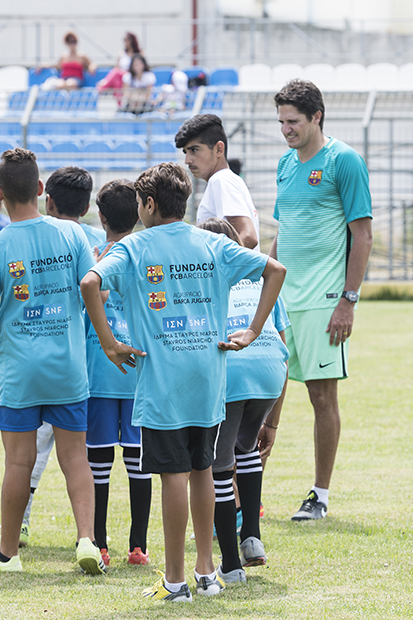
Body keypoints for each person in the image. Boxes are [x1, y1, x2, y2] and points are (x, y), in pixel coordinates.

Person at [80, 162, 286, 601]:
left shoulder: (135, 247)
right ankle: (207, 574)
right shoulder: (212, 242)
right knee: (204, 470)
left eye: (139, 203)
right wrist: (250, 331)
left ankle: (175, 582)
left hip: (163, 380)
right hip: (209, 376)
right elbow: (275, 271)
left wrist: (110, 342)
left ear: (150, 204)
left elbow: (89, 281)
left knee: (173, 475)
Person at [0, 148, 104, 575]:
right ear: (41, 190)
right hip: (68, 367)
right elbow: (91, 289)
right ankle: (87, 541)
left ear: (0, 194)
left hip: (19, 371)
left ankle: (8, 557)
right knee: (75, 458)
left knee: (19, 463)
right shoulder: (73, 235)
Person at [271, 79, 373, 522]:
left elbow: (363, 235)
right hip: (283, 300)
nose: (286, 130)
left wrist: (348, 300)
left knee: (321, 399)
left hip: (324, 301)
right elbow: (283, 231)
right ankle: (242, 492)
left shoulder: (344, 161)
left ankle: (320, 494)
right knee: (261, 394)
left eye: (293, 121)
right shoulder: (284, 165)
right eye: (281, 122)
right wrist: (262, 287)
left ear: (317, 117)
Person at [196, 218, 288, 582]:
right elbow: (283, 344)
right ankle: (252, 536)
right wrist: (273, 420)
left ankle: (231, 566)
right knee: (246, 449)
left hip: (233, 369)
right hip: (269, 374)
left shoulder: (209, 284)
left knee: (219, 466)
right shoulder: (259, 284)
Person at [17, 165, 104, 547]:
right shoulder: (100, 241)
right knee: (86, 459)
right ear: (87, 207)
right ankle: (93, 536)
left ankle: (18, 524)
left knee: (28, 452)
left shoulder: (35, 238)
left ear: (47, 200)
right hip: (93, 365)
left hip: (42, 359)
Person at [84, 179, 151, 568]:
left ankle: (100, 543)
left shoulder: (98, 259)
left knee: (98, 463)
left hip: (100, 369)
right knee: (139, 460)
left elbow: (93, 293)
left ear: (101, 215)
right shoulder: (145, 253)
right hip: (139, 369)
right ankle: (138, 547)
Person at [175, 114, 260, 250]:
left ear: (219, 149)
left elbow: (248, 236)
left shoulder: (221, 180)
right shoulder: (227, 179)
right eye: (186, 152)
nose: (187, 160)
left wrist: (215, 264)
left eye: (194, 150)